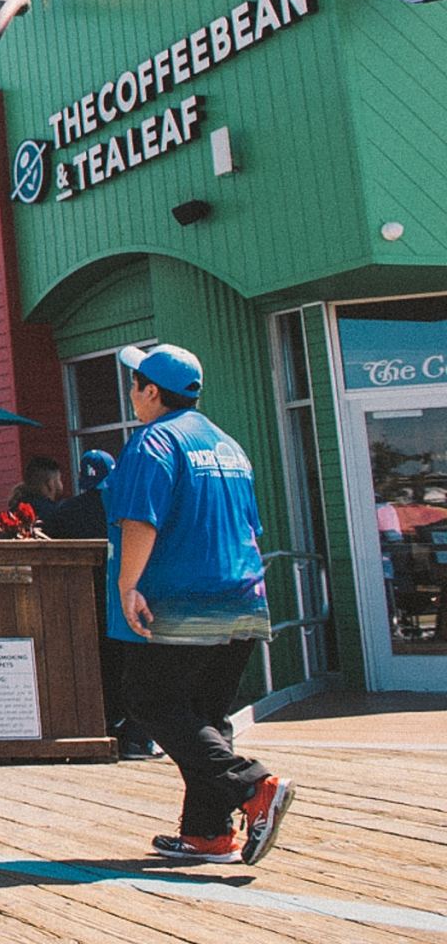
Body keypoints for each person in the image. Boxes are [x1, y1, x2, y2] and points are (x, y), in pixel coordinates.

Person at [107, 344, 293, 866]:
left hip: (186, 599)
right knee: (206, 715)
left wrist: (128, 586)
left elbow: (140, 519)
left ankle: (254, 787)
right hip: (245, 597)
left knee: (150, 700)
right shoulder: (228, 446)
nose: (131, 393)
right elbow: (252, 527)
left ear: (150, 391)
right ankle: (208, 834)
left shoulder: (152, 441)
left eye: (134, 383)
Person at [39, 449, 155, 759]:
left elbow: (39, 538)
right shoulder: (127, 508)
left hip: (83, 605)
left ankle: (103, 726)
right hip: (125, 603)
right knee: (135, 671)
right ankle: (135, 738)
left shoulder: (66, 512)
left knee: (100, 669)